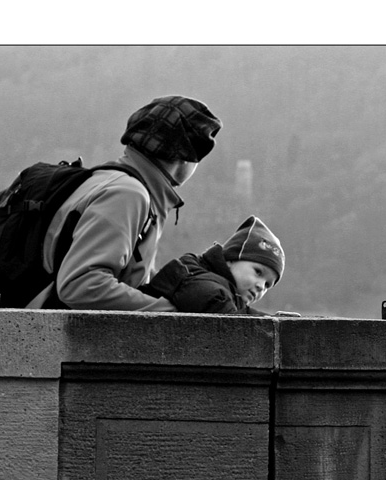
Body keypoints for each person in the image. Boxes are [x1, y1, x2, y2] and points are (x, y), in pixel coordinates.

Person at [26, 95, 222, 310]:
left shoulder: (108, 180)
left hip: (2, 308)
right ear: (186, 157)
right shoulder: (127, 194)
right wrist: (170, 313)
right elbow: (81, 285)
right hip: (26, 325)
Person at [139, 215, 287, 315]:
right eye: (258, 272)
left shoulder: (228, 292)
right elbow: (233, 323)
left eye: (267, 284)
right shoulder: (204, 285)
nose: (261, 286)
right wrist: (271, 322)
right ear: (231, 260)